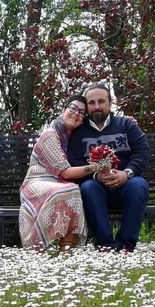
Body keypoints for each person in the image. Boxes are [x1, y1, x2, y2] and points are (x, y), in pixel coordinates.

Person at [67, 84, 150, 252]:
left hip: (126, 184)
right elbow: (74, 162)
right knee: (88, 187)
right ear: (87, 106)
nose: (97, 106)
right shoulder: (79, 132)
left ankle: (126, 244)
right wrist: (96, 175)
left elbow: (142, 153)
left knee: (139, 185)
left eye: (101, 101)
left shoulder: (127, 125)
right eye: (91, 102)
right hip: (97, 187)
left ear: (110, 103)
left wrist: (127, 174)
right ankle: (105, 244)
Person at [19, 96, 107, 251]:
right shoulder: (50, 135)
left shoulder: (72, 136)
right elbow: (65, 173)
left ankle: (66, 251)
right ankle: (59, 249)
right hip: (37, 183)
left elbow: (102, 120)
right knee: (70, 190)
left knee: (73, 189)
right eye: (73, 108)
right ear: (63, 110)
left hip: (59, 184)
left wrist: (125, 119)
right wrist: (98, 166)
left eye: (81, 112)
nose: (76, 113)